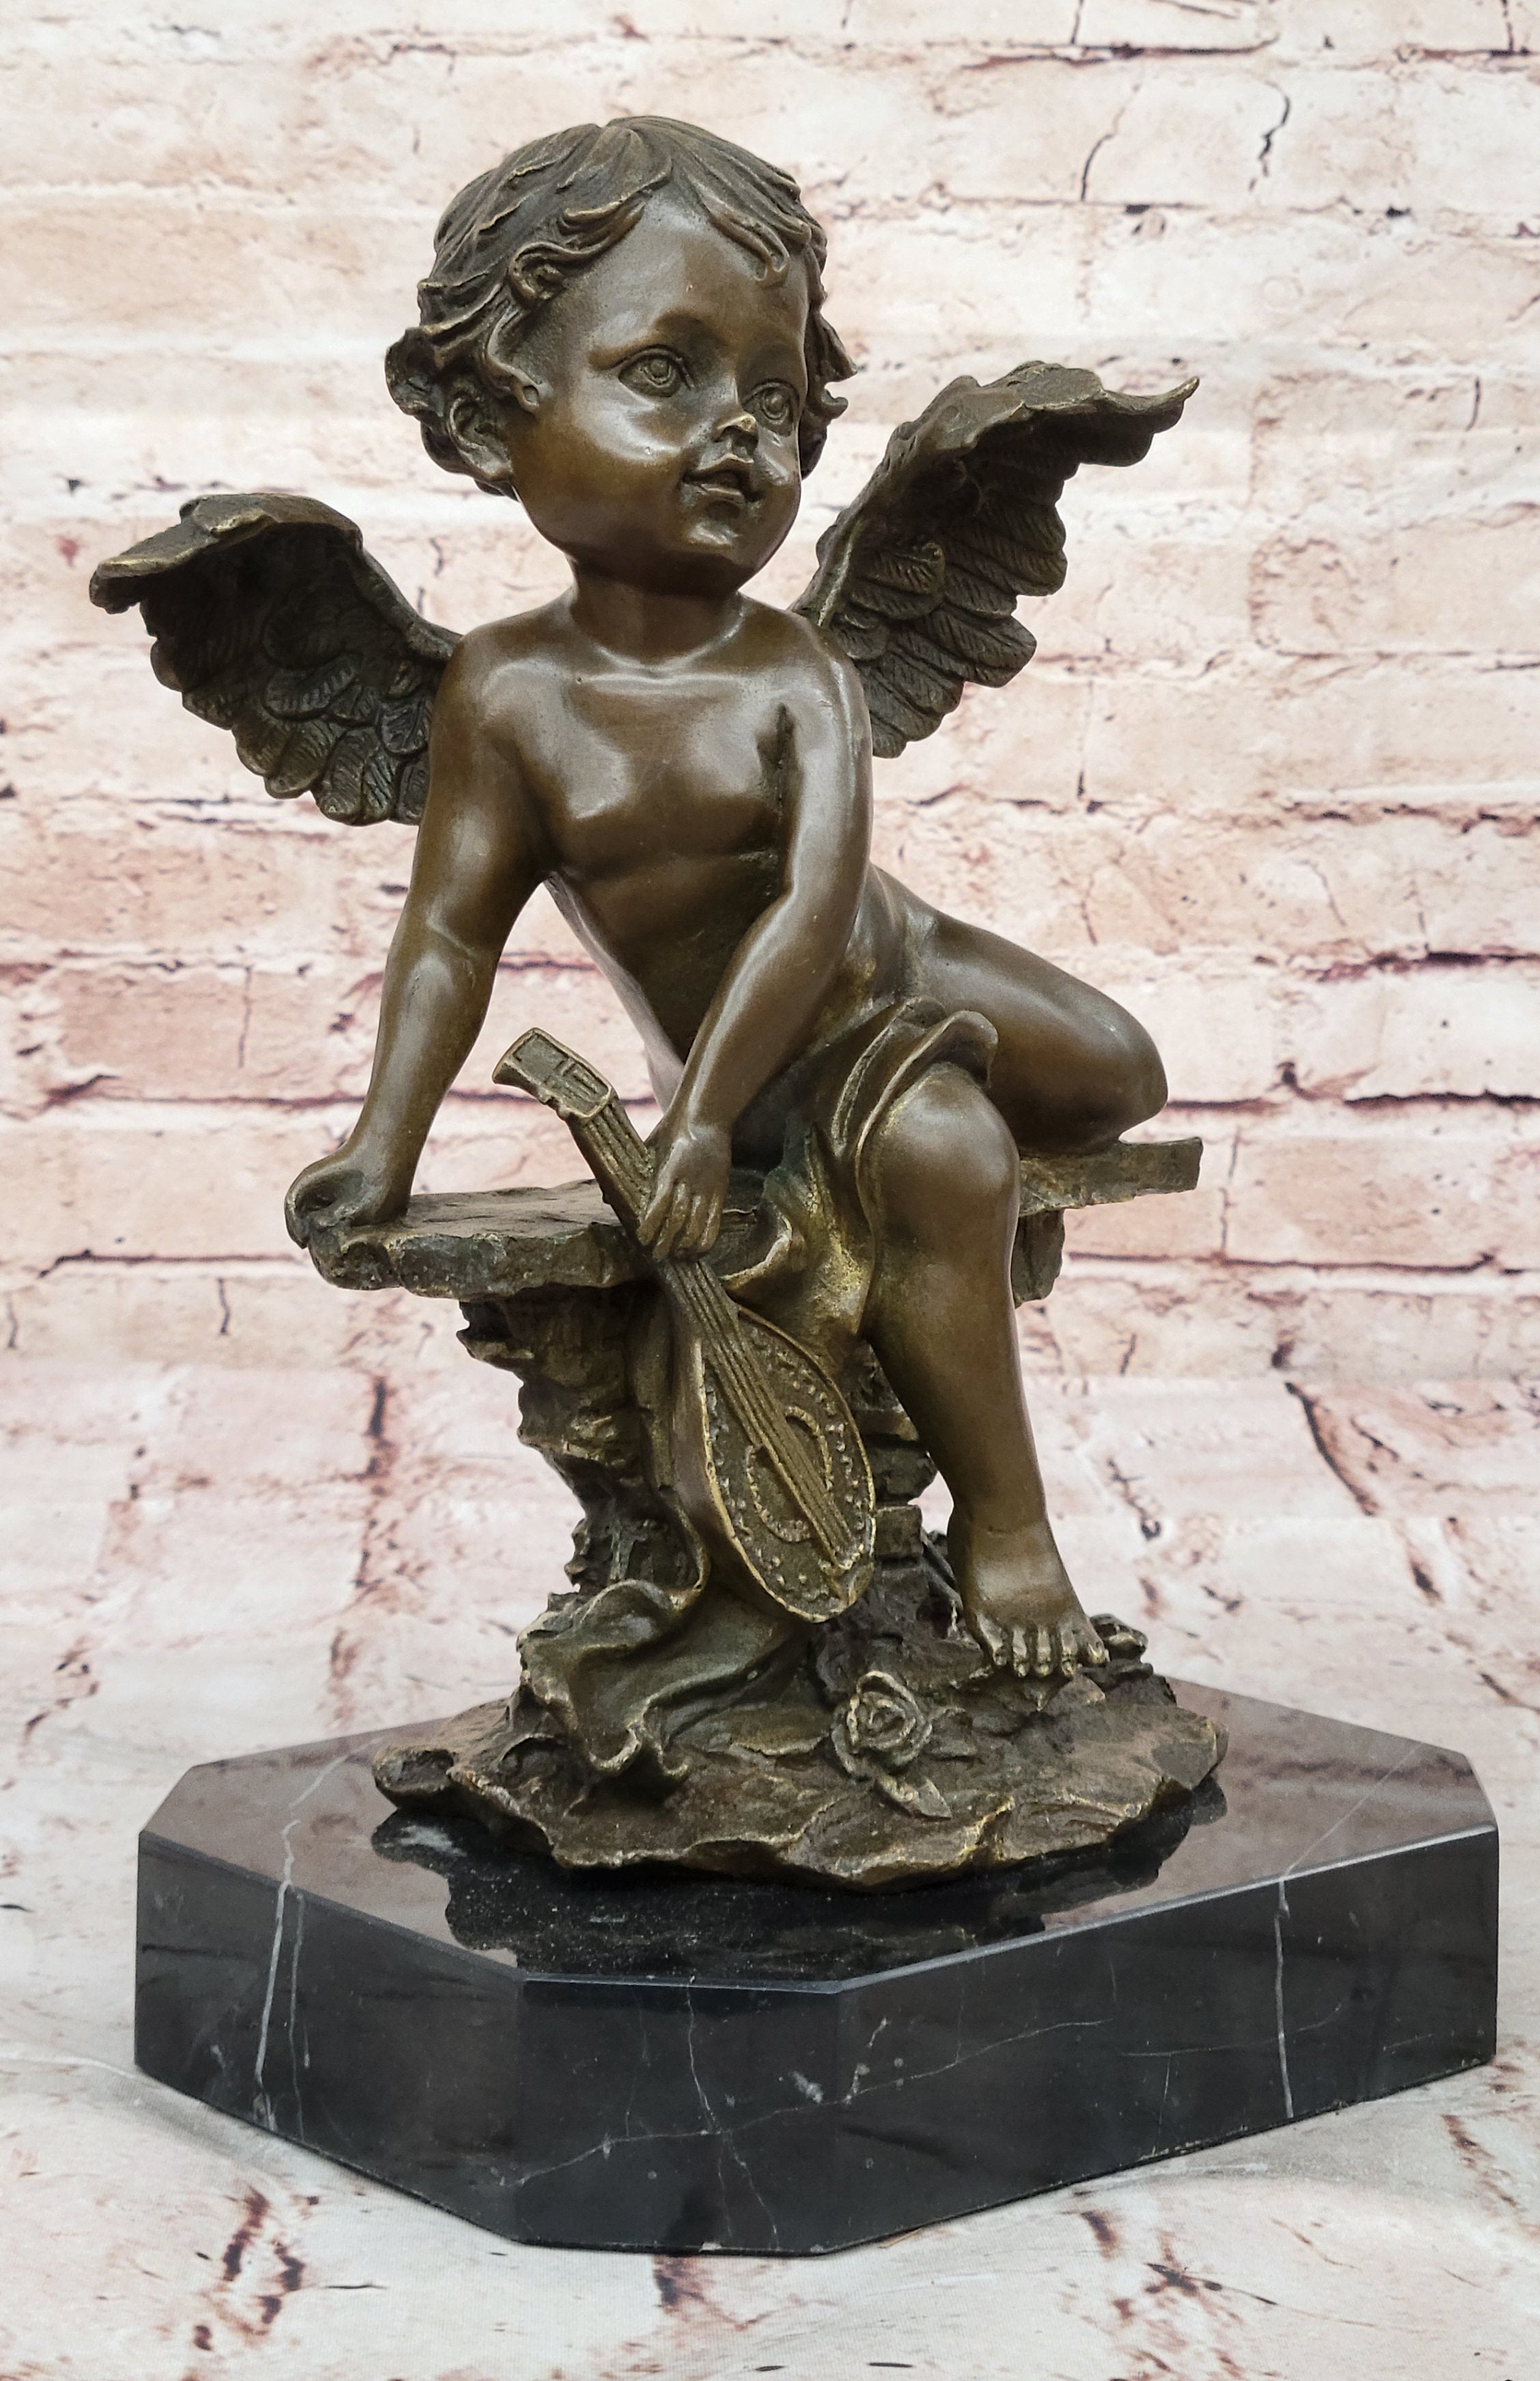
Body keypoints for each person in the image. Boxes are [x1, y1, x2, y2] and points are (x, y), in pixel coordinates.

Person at [285, 118, 1167, 1683]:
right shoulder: (506, 693)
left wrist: (695, 1127)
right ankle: (1007, 1527)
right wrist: (383, 1148)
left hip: (878, 976)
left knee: (1120, 1076)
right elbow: (450, 937)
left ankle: (902, 1202)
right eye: (665, 373)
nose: (738, 432)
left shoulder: (795, 672)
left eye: (775, 395)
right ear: (490, 421)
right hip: (772, 1074)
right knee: (950, 1154)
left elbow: (817, 910)